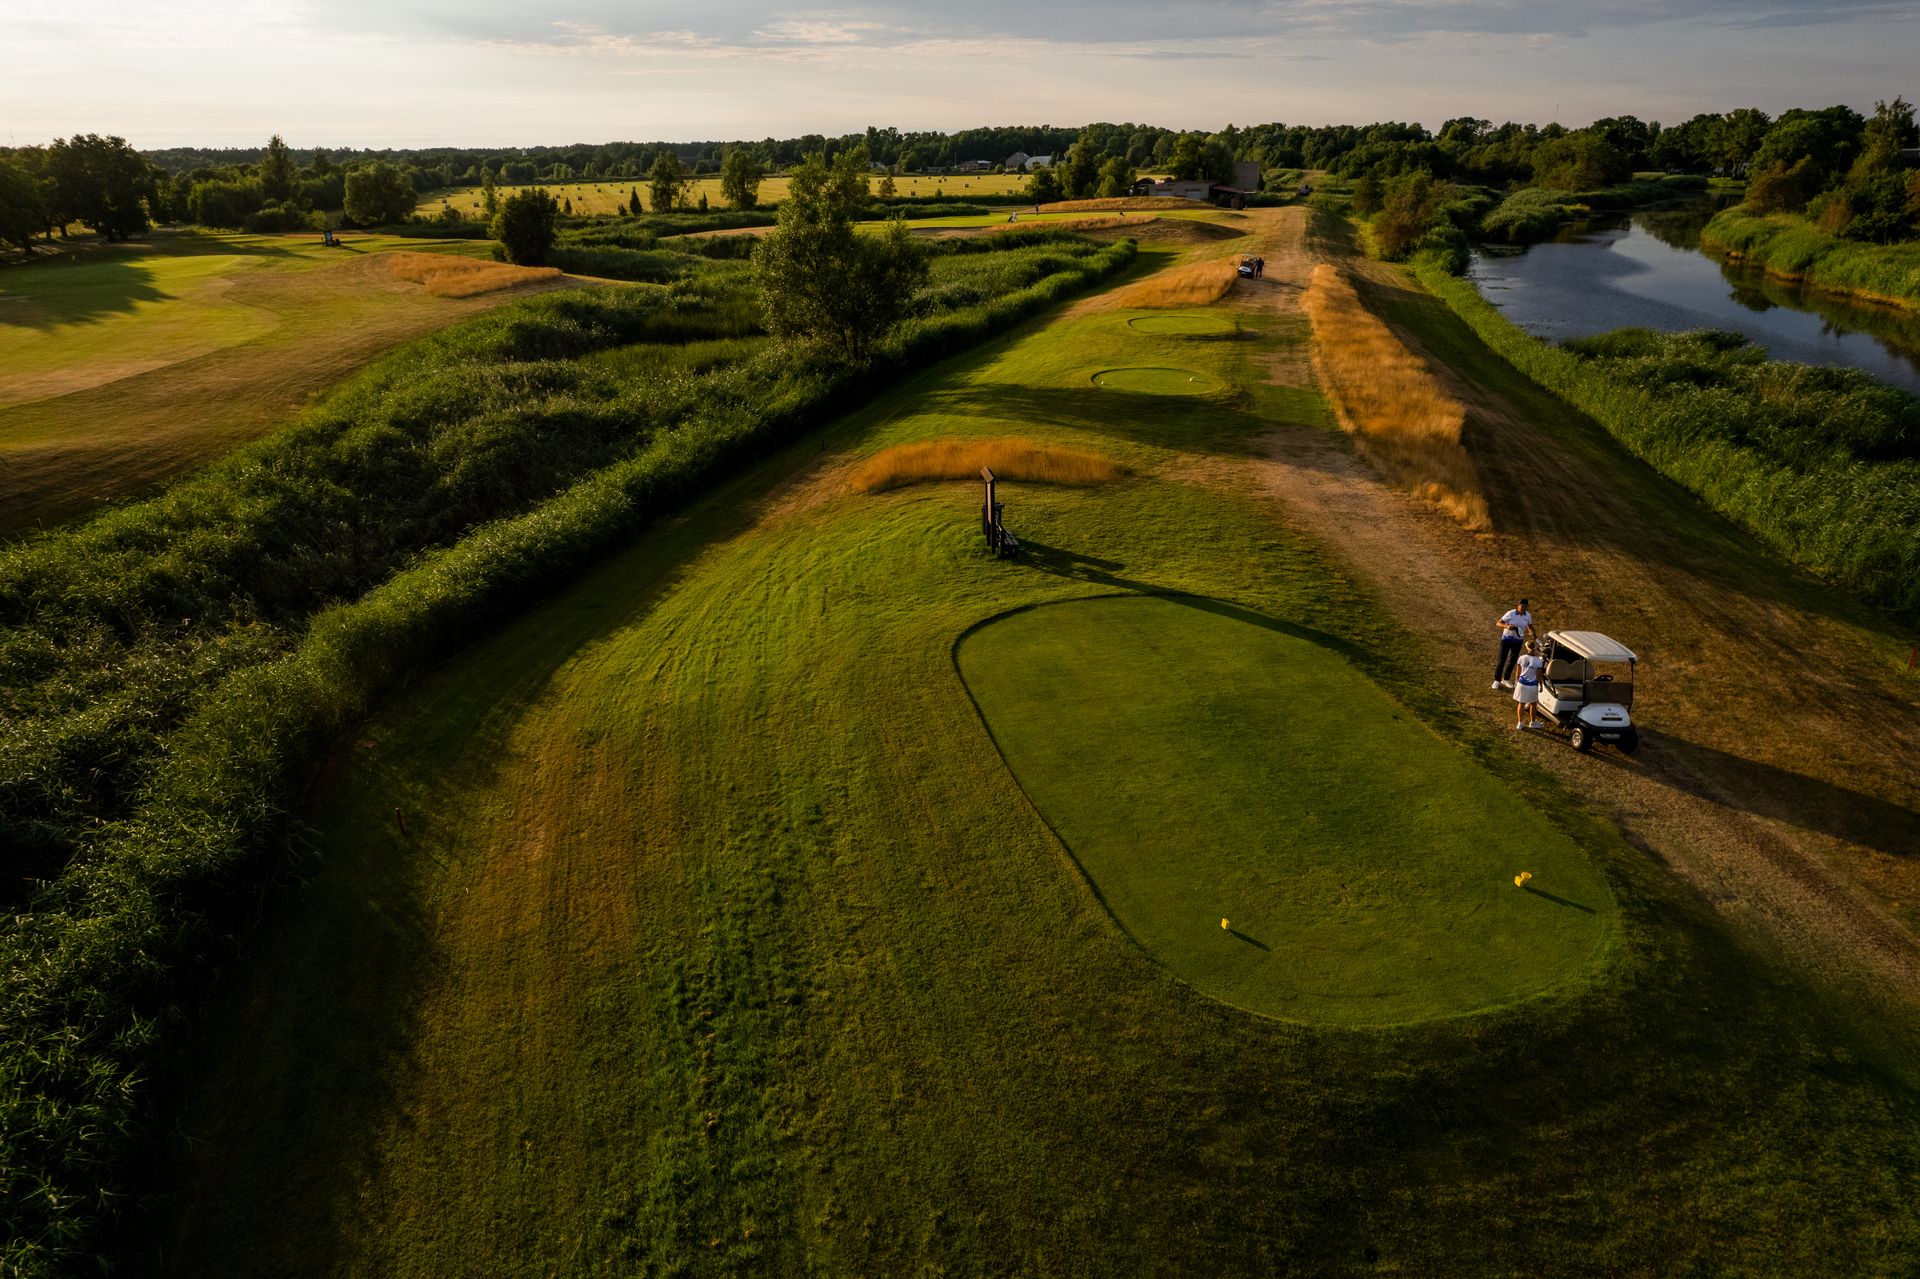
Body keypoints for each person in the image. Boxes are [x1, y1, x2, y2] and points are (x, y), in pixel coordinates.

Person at [1492, 597, 1532, 688]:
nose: (1523, 608)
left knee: (1512, 660)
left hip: (1518, 641)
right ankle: (1497, 680)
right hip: (1506, 639)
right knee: (1502, 660)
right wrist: (1507, 626)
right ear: (1518, 606)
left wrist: (1531, 632)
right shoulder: (1510, 613)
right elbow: (1498, 623)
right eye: (1522, 606)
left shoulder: (1528, 616)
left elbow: (1530, 626)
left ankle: (1506, 679)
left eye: (1525, 606)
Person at [1512, 640, 1544, 729]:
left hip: (1521, 684)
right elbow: (1539, 676)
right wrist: (1541, 685)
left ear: (1527, 648)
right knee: (1533, 704)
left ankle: (1519, 723)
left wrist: (1516, 682)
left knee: (1521, 703)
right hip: (1532, 686)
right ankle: (1532, 722)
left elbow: (1518, 673)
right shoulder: (1538, 661)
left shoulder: (1521, 658)